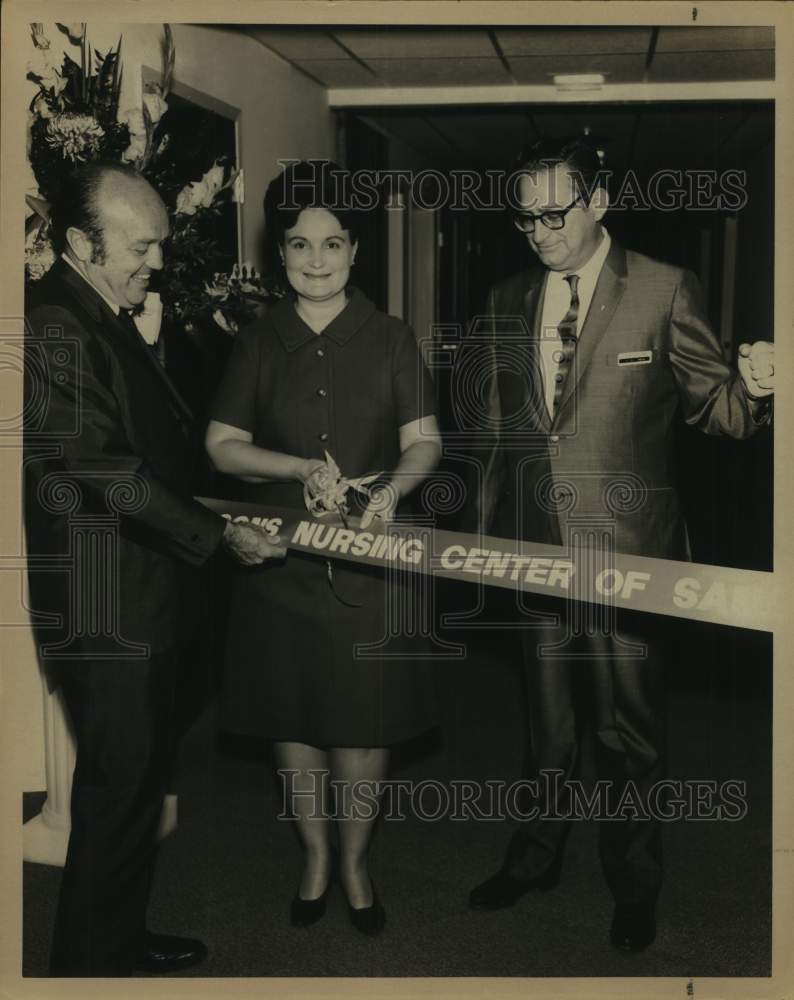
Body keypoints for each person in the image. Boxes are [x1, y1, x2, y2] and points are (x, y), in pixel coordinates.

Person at [466, 137, 774, 951]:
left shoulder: (666, 288)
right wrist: (484, 541)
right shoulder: (504, 297)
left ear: (599, 201)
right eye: (525, 218)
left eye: (555, 213)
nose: (540, 232)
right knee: (548, 726)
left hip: (630, 556)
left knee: (629, 733)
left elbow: (720, 412)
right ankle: (535, 857)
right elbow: (496, 432)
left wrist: (758, 389)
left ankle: (635, 883)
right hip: (535, 550)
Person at [24, 161, 285, 977]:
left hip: (138, 599)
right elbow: (106, 468)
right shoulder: (53, 322)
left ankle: (117, 945)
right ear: (80, 243)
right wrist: (220, 535)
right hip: (110, 610)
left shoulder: (99, 311)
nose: (158, 262)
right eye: (141, 247)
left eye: (161, 244)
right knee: (117, 802)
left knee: (132, 798)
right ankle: (85, 974)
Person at [206, 161, 441, 935]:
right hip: (280, 561)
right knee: (294, 715)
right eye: (300, 245)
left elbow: (425, 442)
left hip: (372, 560)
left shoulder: (392, 337)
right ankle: (313, 856)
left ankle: (355, 863)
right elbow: (221, 446)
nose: (316, 261)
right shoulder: (257, 340)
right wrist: (297, 468)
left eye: (332, 243)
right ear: (279, 253)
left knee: (364, 721)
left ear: (355, 250)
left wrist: (393, 490)